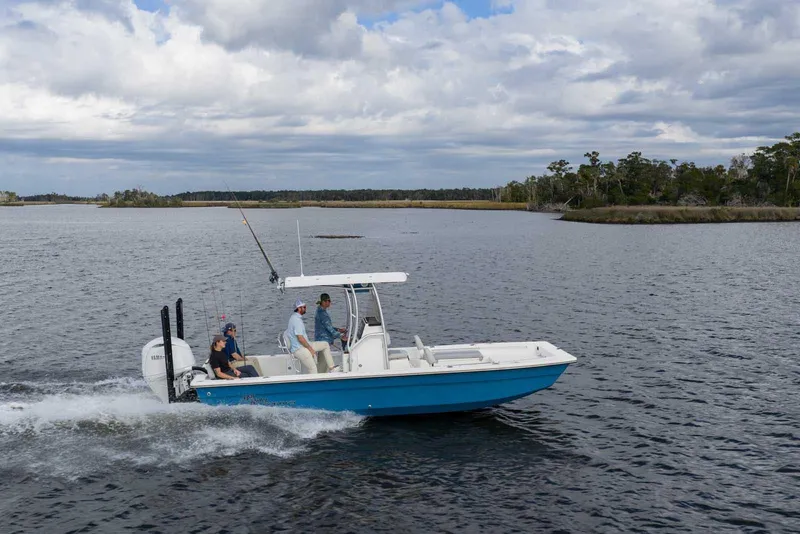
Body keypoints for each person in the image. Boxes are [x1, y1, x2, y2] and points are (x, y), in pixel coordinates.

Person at [286, 298, 340, 374]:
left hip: (304, 345)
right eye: (304, 307)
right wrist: (310, 349)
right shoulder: (296, 320)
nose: (305, 308)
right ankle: (315, 384)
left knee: (325, 344)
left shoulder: (295, 317)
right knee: (313, 368)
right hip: (299, 349)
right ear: (298, 308)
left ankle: (332, 368)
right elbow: (300, 338)